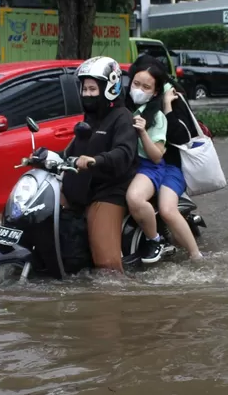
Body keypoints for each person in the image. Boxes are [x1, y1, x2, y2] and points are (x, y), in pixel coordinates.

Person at [61, 56, 138, 273]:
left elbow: (123, 153)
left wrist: (96, 160)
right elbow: (72, 151)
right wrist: (44, 156)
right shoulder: (89, 119)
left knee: (106, 267)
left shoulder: (122, 117)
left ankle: (113, 298)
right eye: (84, 89)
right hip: (80, 188)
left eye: (93, 89)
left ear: (109, 87)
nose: (87, 94)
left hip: (108, 191)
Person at [124, 56, 170, 264]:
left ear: (155, 92)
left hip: (148, 166)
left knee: (134, 198)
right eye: (136, 84)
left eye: (146, 87)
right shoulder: (121, 107)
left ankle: (155, 240)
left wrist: (143, 132)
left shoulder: (157, 117)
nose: (139, 90)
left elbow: (157, 155)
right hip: (124, 162)